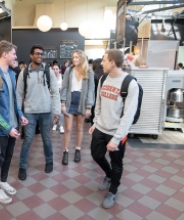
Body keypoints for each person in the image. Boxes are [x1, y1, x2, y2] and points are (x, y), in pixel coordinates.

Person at [89, 49, 139, 209]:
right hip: (101, 127)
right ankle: (109, 175)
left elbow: (128, 115)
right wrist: (95, 123)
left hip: (117, 133)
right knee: (96, 155)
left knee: (117, 163)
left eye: (103, 60)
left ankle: (113, 190)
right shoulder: (103, 78)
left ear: (112, 62)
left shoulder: (130, 84)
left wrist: (117, 138)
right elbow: (98, 103)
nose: (101, 63)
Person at [0, 40, 28, 204]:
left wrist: (20, 115)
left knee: (8, 156)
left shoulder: (10, 74)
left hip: (12, 126)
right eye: (14, 54)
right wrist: (7, 127)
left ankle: (3, 181)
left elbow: (14, 100)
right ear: (5, 54)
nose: (16, 57)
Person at [16, 44, 61, 180]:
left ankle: (49, 161)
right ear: (31, 55)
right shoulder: (24, 73)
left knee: (46, 139)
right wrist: (19, 113)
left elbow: (55, 92)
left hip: (46, 111)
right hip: (29, 112)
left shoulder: (48, 72)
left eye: (41, 54)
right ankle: (22, 167)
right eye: (37, 53)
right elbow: (18, 94)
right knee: (27, 140)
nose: (39, 56)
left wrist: (56, 111)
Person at [60, 50, 95, 165]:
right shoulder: (68, 71)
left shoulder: (89, 72)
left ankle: (78, 150)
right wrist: (63, 103)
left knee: (80, 127)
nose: (75, 59)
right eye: (73, 57)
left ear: (82, 59)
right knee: (68, 128)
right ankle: (65, 151)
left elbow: (91, 90)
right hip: (70, 100)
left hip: (82, 101)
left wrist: (89, 106)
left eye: (77, 57)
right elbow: (64, 87)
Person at [90, 58, 104, 125]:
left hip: (94, 101)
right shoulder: (105, 77)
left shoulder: (92, 76)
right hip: (103, 101)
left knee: (94, 120)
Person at [52, 64, 64, 133]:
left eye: (56, 69)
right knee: (54, 110)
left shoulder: (62, 77)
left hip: (60, 95)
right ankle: (55, 124)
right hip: (53, 96)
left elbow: (64, 87)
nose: (55, 70)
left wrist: (60, 89)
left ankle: (61, 125)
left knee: (60, 111)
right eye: (54, 69)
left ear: (59, 70)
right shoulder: (51, 78)